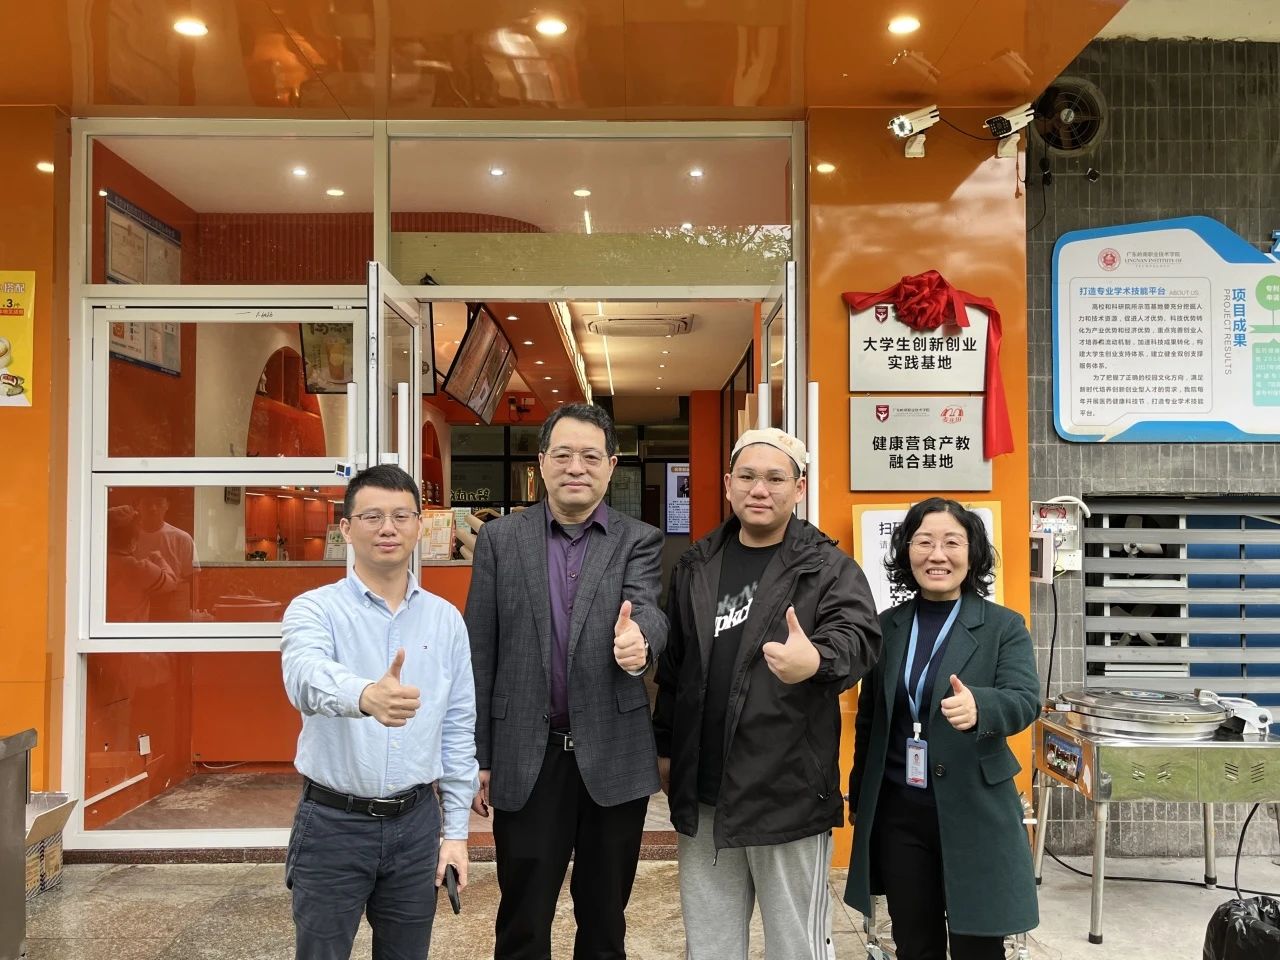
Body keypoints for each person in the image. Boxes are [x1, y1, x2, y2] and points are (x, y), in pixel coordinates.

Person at [653, 427, 882, 960]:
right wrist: (665, 746)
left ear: (798, 489)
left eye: (776, 478)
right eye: (748, 477)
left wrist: (817, 659)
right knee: (709, 947)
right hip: (705, 793)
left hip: (788, 793)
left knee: (796, 946)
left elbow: (859, 638)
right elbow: (675, 668)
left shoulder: (828, 567)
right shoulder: (695, 565)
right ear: (728, 484)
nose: (760, 489)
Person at [465, 402, 667, 960]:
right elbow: (480, 649)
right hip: (526, 754)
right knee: (523, 920)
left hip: (613, 753)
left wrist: (640, 642)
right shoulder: (501, 540)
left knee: (604, 920)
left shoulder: (638, 540)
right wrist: (478, 755)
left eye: (590, 456)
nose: (576, 467)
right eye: (564, 455)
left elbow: (649, 609)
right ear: (541, 462)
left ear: (611, 465)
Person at [280, 464, 478, 960]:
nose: (387, 528)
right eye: (372, 516)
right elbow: (302, 676)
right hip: (332, 825)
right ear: (346, 529)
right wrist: (365, 695)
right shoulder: (314, 609)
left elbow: (458, 728)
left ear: (418, 526)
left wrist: (455, 832)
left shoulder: (446, 620)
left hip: (416, 826)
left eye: (400, 516)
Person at [844, 497, 1040, 960]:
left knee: (978, 947)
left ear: (972, 553)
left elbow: (1024, 699)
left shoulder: (1002, 626)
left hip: (976, 810)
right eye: (924, 542)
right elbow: (871, 717)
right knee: (915, 944)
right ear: (906, 552)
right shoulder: (887, 627)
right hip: (900, 814)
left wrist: (981, 707)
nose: (937, 555)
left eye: (952, 542)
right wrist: (861, 793)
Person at [105, 504, 177, 621]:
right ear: (133, 541)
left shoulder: (94, 564)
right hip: (129, 630)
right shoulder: (139, 568)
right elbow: (171, 582)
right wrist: (159, 559)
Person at [135, 491, 199, 621]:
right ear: (138, 505)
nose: (153, 508)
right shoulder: (128, 538)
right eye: (147, 503)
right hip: (136, 607)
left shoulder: (182, 538)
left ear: (167, 505)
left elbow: (193, 578)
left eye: (158, 503)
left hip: (172, 607)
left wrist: (192, 610)